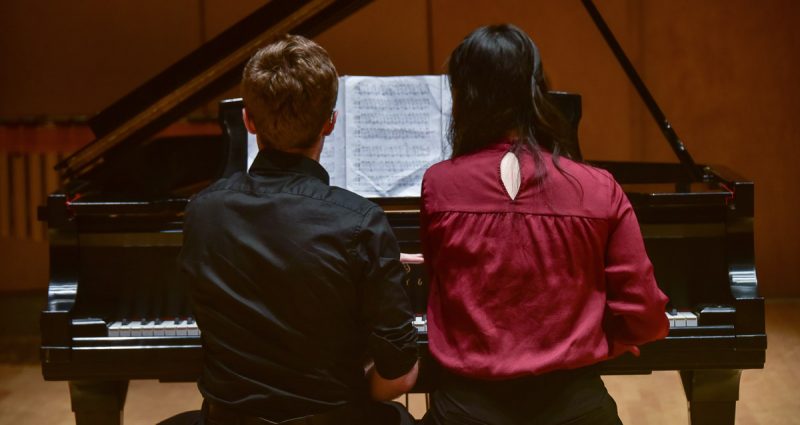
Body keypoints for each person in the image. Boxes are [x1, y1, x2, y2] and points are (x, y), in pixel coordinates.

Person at [419, 24, 670, 425]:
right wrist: (607, 339)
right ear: (537, 91)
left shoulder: (439, 185)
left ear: (464, 97)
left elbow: (438, 288)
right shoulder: (598, 187)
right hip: (576, 409)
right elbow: (646, 313)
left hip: (467, 412)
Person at [178, 34, 419, 425]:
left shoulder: (202, 211)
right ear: (330, 123)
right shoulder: (359, 222)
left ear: (248, 120)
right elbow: (400, 377)